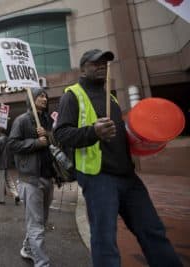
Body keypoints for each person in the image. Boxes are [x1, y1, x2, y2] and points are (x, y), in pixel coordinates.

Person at [54, 49, 183, 267]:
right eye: (96, 62)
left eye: (105, 62)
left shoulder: (111, 97)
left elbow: (122, 137)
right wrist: (93, 132)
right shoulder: (72, 95)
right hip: (98, 178)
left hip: (128, 178)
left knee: (153, 230)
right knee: (105, 241)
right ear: (83, 68)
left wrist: (146, 142)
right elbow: (60, 135)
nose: (102, 65)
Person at [8, 88, 56, 267]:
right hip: (30, 180)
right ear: (32, 99)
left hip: (47, 177)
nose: (44, 98)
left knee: (41, 221)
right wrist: (36, 142)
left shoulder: (48, 120)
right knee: (36, 224)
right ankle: (42, 263)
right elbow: (12, 145)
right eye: (41, 96)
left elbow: (54, 141)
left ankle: (28, 249)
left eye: (46, 96)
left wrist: (48, 136)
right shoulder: (22, 120)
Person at [0, 127, 19, 205]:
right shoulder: (9, 140)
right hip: (7, 163)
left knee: (1, 182)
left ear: (0, 131)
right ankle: (16, 194)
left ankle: (1, 199)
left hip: (0, 164)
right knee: (9, 180)